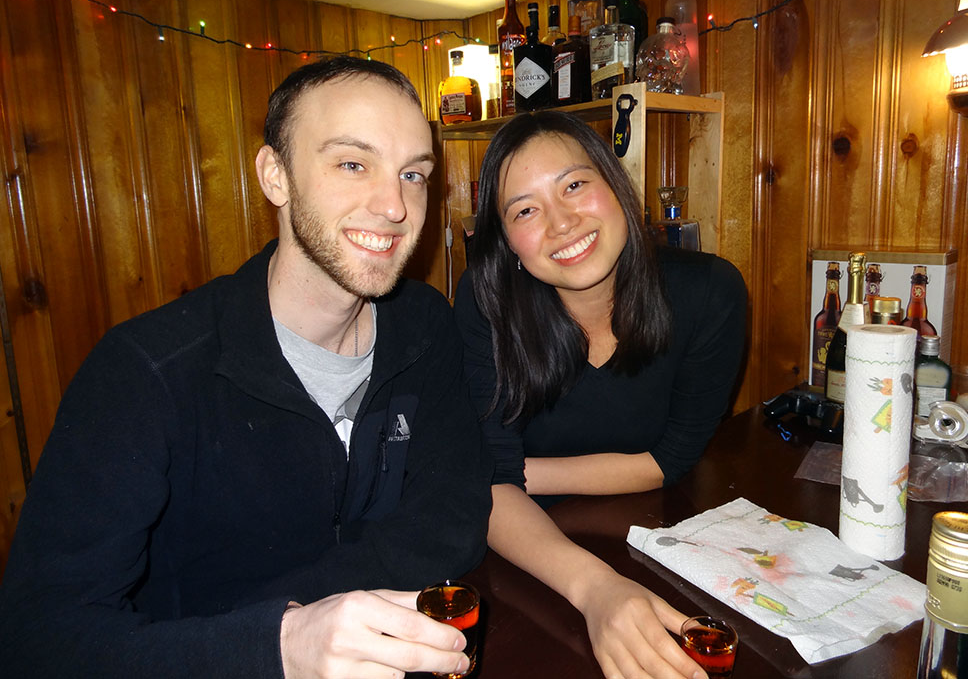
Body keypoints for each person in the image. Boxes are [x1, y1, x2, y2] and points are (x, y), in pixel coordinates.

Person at [0, 56, 491, 678]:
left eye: (413, 174)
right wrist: (278, 644)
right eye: (352, 164)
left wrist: (326, 622)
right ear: (275, 176)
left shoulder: (425, 325)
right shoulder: (145, 372)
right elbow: (37, 640)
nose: (394, 205)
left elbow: (454, 513)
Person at [454, 110, 746, 679]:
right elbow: (486, 489)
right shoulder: (486, 303)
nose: (561, 223)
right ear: (507, 242)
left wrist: (502, 471)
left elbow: (671, 459)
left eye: (574, 185)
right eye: (525, 210)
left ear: (616, 186)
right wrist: (597, 589)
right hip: (520, 556)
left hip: (651, 538)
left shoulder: (710, 293)